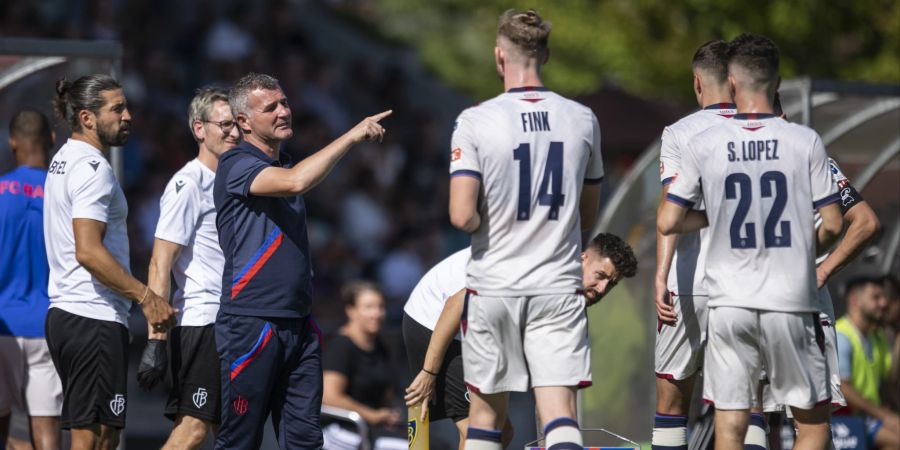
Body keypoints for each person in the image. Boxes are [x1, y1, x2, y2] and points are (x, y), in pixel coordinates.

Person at [658, 33, 844, 450]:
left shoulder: (705, 143)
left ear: (733, 83)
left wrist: (719, 218)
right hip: (788, 301)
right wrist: (800, 249)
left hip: (730, 302)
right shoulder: (803, 140)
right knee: (812, 425)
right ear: (777, 86)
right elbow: (834, 223)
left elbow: (669, 219)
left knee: (730, 426)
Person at [447, 9, 604, 449]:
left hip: (494, 285)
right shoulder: (582, 117)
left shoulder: (475, 120)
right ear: (547, 55)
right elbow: (587, 215)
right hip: (556, 284)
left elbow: (461, 216)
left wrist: (484, 220)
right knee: (559, 418)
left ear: (499, 57)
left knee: (485, 423)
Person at [212, 72, 390, 449]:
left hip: (298, 324)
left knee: (306, 440)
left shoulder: (287, 163)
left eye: (285, 103)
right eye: (271, 107)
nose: (283, 112)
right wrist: (352, 135)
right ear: (243, 121)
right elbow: (295, 182)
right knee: (240, 440)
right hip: (252, 321)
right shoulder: (236, 163)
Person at [403, 233, 638, 449]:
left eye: (612, 284)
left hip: (475, 332)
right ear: (582, 258)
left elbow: (551, 389)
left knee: (502, 434)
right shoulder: (536, 272)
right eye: (601, 276)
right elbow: (456, 304)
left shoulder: (571, 309)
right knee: (480, 429)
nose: (602, 288)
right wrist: (428, 373)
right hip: (433, 317)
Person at [44, 74, 176, 450]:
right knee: (95, 437)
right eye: (117, 108)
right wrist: (146, 296)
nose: (128, 115)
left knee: (105, 435)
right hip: (92, 317)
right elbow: (87, 250)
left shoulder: (64, 159)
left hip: (74, 316)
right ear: (87, 118)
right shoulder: (92, 169)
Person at [136, 87, 241, 449]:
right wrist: (155, 340)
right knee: (192, 431)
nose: (233, 132)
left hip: (233, 321)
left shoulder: (233, 181)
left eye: (237, 124)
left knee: (233, 434)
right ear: (199, 129)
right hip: (203, 321)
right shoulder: (187, 183)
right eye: (224, 124)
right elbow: (159, 263)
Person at [652, 39, 737, 450]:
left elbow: (670, 214)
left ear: (697, 82)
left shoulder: (680, 133)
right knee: (744, 405)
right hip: (746, 286)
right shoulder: (769, 127)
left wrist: (660, 276)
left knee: (671, 404)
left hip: (689, 282)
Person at [0, 109, 62, 450]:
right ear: (52, 140)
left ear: (12, 144)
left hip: (2, 325)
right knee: (46, 432)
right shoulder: (62, 195)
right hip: (46, 326)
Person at [322, 281, 406, 450]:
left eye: (381, 307)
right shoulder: (341, 345)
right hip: (345, 428)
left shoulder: (381, 346)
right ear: (351, 310)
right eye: (368, 307)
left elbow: (386, 393)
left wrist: (391, 413)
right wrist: (373, 415)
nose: (376, 313)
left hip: (377, 429)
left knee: (436, 444)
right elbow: (329, 397)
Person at [835, 277, 900, 450]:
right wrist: (884, 416)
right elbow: (843, 387)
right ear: (855, 300)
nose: (883, 303)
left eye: (884, 297)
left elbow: (888, 383)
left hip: (869, 416)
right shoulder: (842, 335)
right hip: (846, 420)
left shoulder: (875, 337)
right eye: (876, 297)